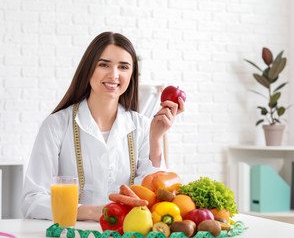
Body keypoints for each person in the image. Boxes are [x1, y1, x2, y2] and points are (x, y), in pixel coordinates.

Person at [21, 31, 185, 221]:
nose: (114, 74)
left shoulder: (142, 127)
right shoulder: (56, 125)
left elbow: (154, 198)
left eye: (123, 67)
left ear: (131, 75)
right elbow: (32, 200)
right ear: (88, 69)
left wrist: (156, 138)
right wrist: (93, 212)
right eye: (104, 64)